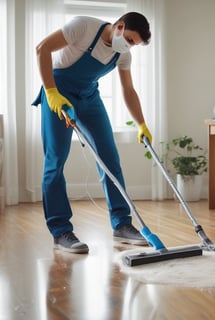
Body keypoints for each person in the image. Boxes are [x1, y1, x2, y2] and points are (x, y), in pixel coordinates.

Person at [32, 12, 152, 254]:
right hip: (59, 90)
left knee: (109, 157)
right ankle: (60, 230)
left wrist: (142, 124)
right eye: (129, 39)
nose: (129, 46)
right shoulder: (83, 27)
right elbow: (42, 49)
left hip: (89, 96)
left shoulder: (123, 55)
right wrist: (51, 93)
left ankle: (122, 223)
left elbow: (128, 90)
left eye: (133, 44)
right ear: (119, 26)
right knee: (56, 160)